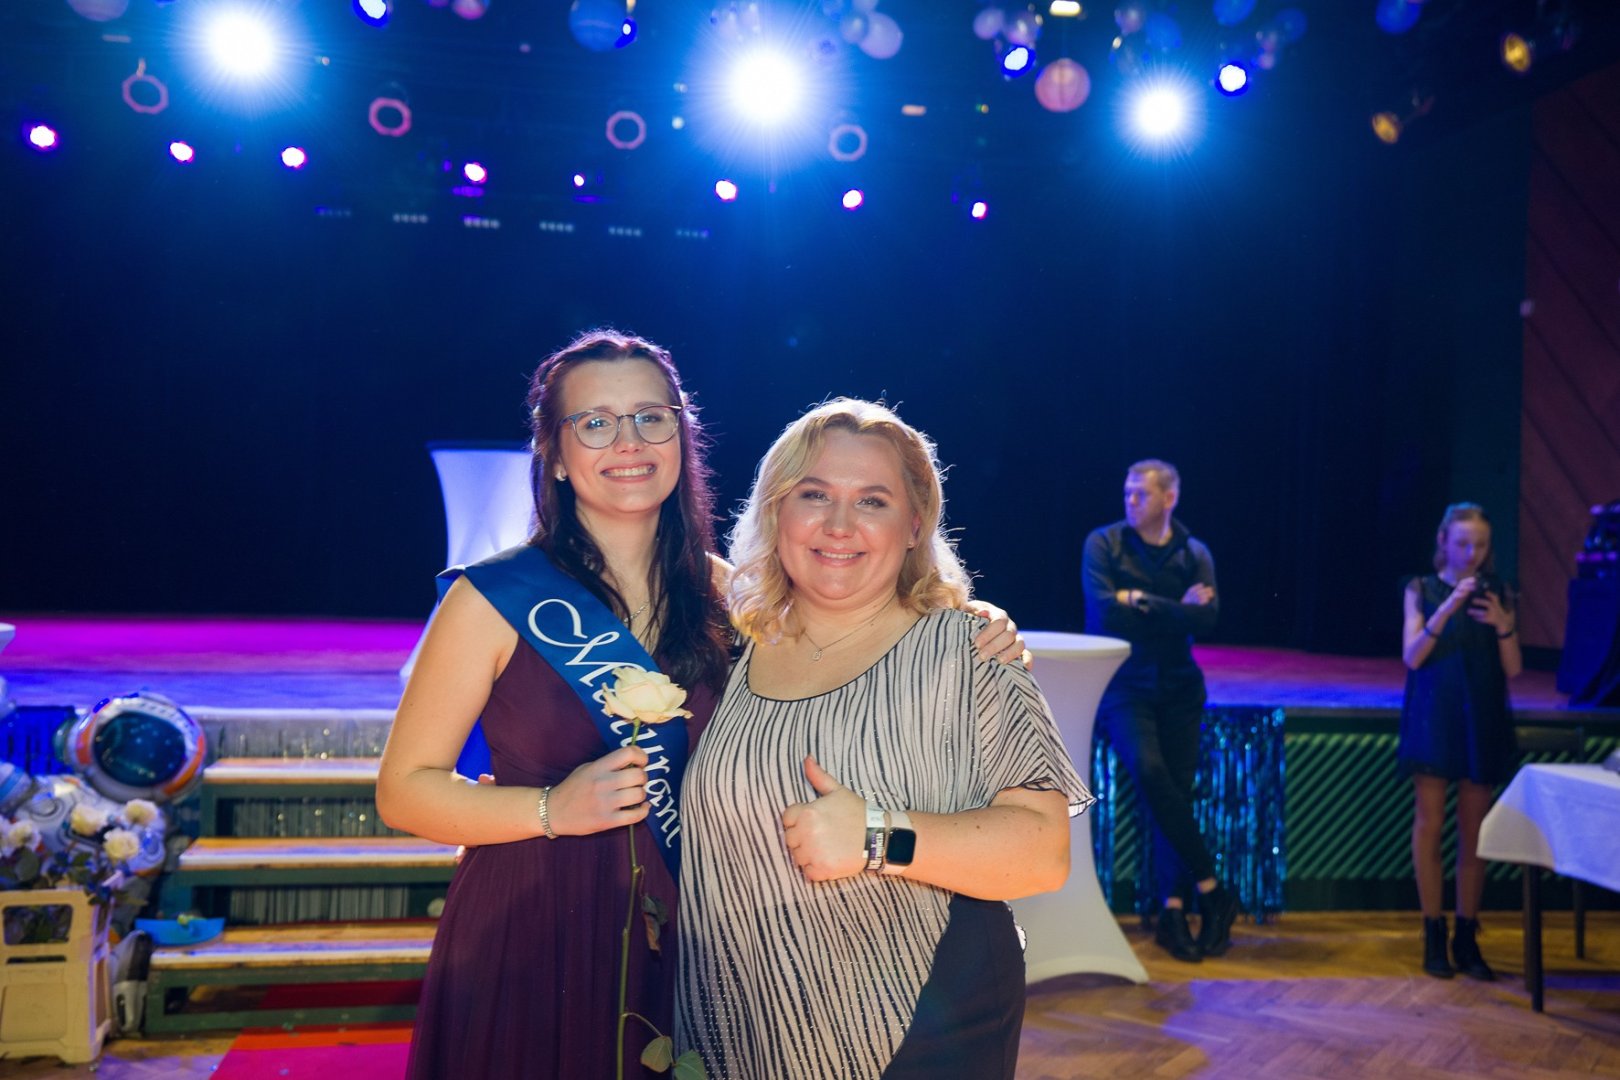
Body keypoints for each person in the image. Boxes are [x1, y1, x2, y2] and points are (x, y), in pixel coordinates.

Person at [379, 334, 1024, 1078]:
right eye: (596, 422)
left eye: (651, 417)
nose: (628, 442)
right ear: (553, 454)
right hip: (536, 929)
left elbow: (856, 628)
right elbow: (404, 791)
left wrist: (966, 619)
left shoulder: (733, 596)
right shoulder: (491, 599)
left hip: (695, 936)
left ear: (681, 436)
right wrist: (550, 809)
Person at [676, 399, 1090, 1080]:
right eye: (814, 494)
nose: (839, 525)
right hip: (736, 1025)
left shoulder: (968, 650)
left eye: (872, 501)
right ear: (777, 510)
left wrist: (877, 835)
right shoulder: (728, 648)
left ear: (914, 523)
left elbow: (1042, 853)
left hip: (923, 1026)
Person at [1081, 459, 1237, 963]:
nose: (1130, 501)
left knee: (1177, 791)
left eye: (1141, 494)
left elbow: (1207, 619)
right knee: (1151, 773)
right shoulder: (1105, 544)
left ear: (1169, 498)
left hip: (1180, 687)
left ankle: (1173, 911)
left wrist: (1140, 600)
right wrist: (1176, 607)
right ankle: (1213, 888)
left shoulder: (1194, 552)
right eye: (1127, 492)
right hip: (1125, 686)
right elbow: (1105, 612)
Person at [1399, 502, 1521, 981]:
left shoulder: (1499, 591)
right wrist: (1448, 607)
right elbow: (1412, 656)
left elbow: (1514, 669)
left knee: (1475, 831)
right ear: (1443, 541)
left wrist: (1504, 625)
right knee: (1430, 824)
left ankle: (1467, 935)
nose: (1473, 554)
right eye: (1464, 543)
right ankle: (1433, 931)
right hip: (1435, 712)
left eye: (1481, 545)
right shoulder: (1420, 588)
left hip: (1481, 712)